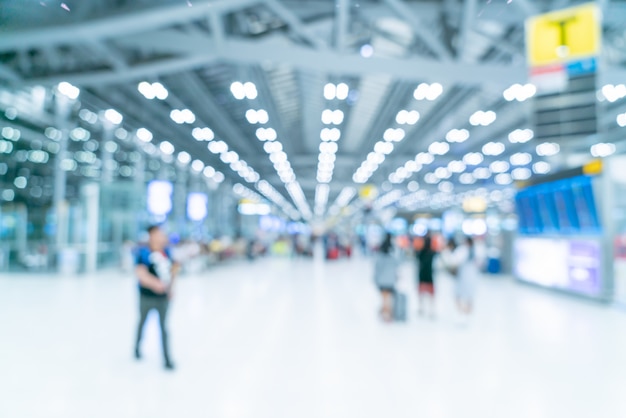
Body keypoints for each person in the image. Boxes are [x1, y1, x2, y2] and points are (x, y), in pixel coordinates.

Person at [134, 225, 180, 370]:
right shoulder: (143, 253)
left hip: (163, 298)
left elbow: (172, 271)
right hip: (146, 297)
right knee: (142, 323)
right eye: (158, 234)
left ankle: (167, 359)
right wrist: (155, 284)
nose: (161, 236)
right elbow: (140, 273)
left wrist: (171, 288)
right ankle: (137, 349)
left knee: (164, 327)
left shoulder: (167, 252)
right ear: (151, 235)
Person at [442, 237, 479, 322]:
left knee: (458, 295)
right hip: (470, 277)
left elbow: (454, 261)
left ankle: (462, 313)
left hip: (462, 277)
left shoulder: (463, 250)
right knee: (469, 296)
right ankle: (467, 313)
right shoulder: (474, 250)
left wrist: (446, 253)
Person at [373, 233, 398, 322]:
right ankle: (387, 313)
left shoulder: (379, 257)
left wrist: (375, 280)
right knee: (388, 298)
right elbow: (397, 265)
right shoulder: (392, 255)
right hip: (390, 280)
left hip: (382, 281)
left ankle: (385, 313)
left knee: (384, 298)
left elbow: (377, 269)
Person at [416, 235, 437, 319]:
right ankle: (431, 310)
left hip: (422, 275)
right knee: (430, 295)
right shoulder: (432, 253)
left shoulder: (421, 252)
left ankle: (422, 308)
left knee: (421, 294)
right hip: (429, 275)